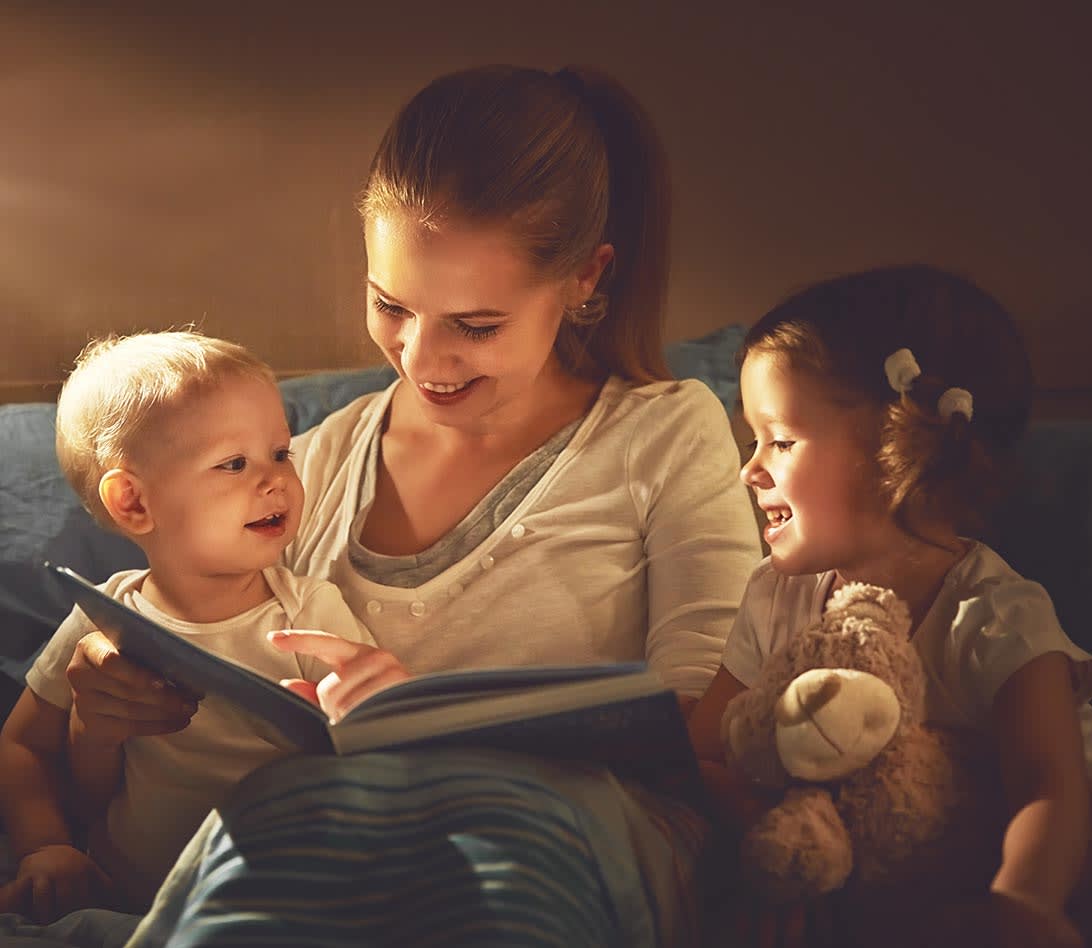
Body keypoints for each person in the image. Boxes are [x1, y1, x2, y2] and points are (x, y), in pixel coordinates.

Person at [40, 65, 763, 947]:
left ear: (584, 280)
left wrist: (456, 732)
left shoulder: (665, 432)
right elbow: (156, 796)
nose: (424, 358)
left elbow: (715, 743)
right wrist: (101, 720)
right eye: (392, 306)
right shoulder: (308, 464)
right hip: (315, 836)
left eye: (477, 324)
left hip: (552, 843)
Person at [687, 264, 1092, 948]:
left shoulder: (994, 614)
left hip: (1045, 866)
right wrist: (770, 844)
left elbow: (1048, 787)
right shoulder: (775, 594)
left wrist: (1024, 902)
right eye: (751, 439)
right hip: (872, 878)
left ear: (894, 447)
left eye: (781, 440)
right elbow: (709, 748)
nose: (750, 468)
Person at [0, 331, 375, 921]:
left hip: (281, 896)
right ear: (132, 503)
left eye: (281, 453)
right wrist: (46, 847)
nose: (276, 480)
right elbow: (21, 745)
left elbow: (381, 741)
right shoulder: (102, 617)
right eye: (234, 463)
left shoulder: (308, 614)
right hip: (130, 898)